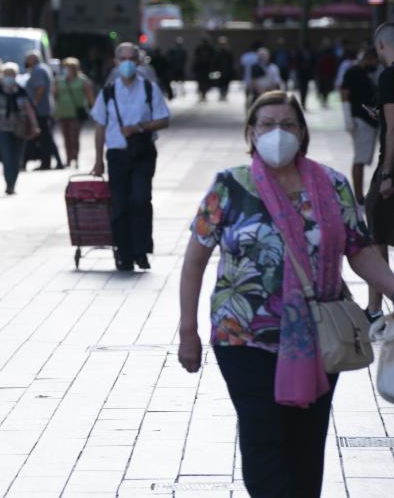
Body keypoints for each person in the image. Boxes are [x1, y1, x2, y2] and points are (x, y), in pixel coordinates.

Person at [179, 90, 394, 497]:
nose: (278, 132)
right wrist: (186, 330)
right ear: (251, 132)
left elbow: (361, 251)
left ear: (302, 131)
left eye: (288, 124)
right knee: (265, 442)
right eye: (267, 124)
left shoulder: (332, 184)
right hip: (244, 337)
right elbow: (194, 262)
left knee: (306, 443)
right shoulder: (230, 186)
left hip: (319, 336)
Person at [90, 42, 170, 271]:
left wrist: (140, 127)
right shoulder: (108, 91)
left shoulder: (149, 88)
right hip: (117, 154)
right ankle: (123, 253)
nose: (127, 63)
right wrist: (98, 160)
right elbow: (100, 126)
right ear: (115, 62)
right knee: (120, 205)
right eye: (122, 59)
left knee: (141, 200)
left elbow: (164, 119)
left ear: (138, 62)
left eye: (131, 59)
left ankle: (141, 250)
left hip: (143, 152)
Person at [365, 22, 394, 324]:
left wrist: (387, 174)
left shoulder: (389, 76)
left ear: (382, 45)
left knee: (374, 236)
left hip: (391, 168)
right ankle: (373, 307)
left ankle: (375, 308)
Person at [0, 62, 40, 195]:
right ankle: (9, 185)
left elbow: (29, 109)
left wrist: (35, 126)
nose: (9, 77)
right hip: (1, 129)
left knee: (17, 159)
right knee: (7, 157)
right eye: (7, 75)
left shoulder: (21, 92)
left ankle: (13, 182)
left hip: (20, 129)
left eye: (12, 75)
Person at [340, 48, 379, 204]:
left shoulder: (367, 74)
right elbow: (344, 94)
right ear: (369, 58)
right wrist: (348, 118)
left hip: (368, 120)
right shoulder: (353, 72)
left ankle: (360, 195)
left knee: (362, 159)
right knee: (360, 159)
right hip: (360, 120)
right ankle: (358, 196)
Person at [24, 50, 63, 170]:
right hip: (44, 108)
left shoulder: (39, 70)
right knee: (46, 137)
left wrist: (34, 103)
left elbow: (40, 88)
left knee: (45, 137)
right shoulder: (43, 68)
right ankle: (52, 162)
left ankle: (49, 162)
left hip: (40, 109)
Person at [54, 57, 95, 169]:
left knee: (74, 137)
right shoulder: (60, 80)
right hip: (63, 112)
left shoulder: (83, 80)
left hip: (76, 113)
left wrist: (94, 110)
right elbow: (54, 95)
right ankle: (68, 159)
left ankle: (75, 158)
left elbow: (90, 96)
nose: (66, 70)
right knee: (65, 137)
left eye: (68, 68)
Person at [316, 38, 338, 108]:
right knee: (322, 87)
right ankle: (323, 99)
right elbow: (317, 63)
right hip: (321, 73)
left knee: (327, 88)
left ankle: (325, 99)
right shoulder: (320, 52)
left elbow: (334, 63)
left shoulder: (331, 52)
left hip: (329, 73)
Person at [240, 41, 262, 108]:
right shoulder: (258, 56)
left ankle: (247, 108)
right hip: (256, 80)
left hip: (247, 78)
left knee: (247, 95)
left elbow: (242, 67)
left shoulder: (245, 56)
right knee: (255, 97)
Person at [192, 38, 215, 102]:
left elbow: (213, 58)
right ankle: (202, 94)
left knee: (205, 82)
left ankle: (204, 94)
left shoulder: (210, 49)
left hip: (206, 68)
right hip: (201, 68)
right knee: (201, 82)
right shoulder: (199, 49)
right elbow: (196, 58)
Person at [213, 36, 235, 101]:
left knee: (227, 83)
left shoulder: (229, 50)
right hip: (219, 69)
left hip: (227, 70)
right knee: (219, 83)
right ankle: (221, 94)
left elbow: (231, 60)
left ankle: (225, 94)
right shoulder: (217, 50)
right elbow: (215, 60)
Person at [295, 41, 315, 109]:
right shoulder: (299, 53)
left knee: (305, 89)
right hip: (301, 74)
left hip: (307, 74)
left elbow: (313, 62)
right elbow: (296, 62)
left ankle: (304, 102)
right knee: (302, 89)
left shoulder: (310, 52)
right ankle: (302, 102)